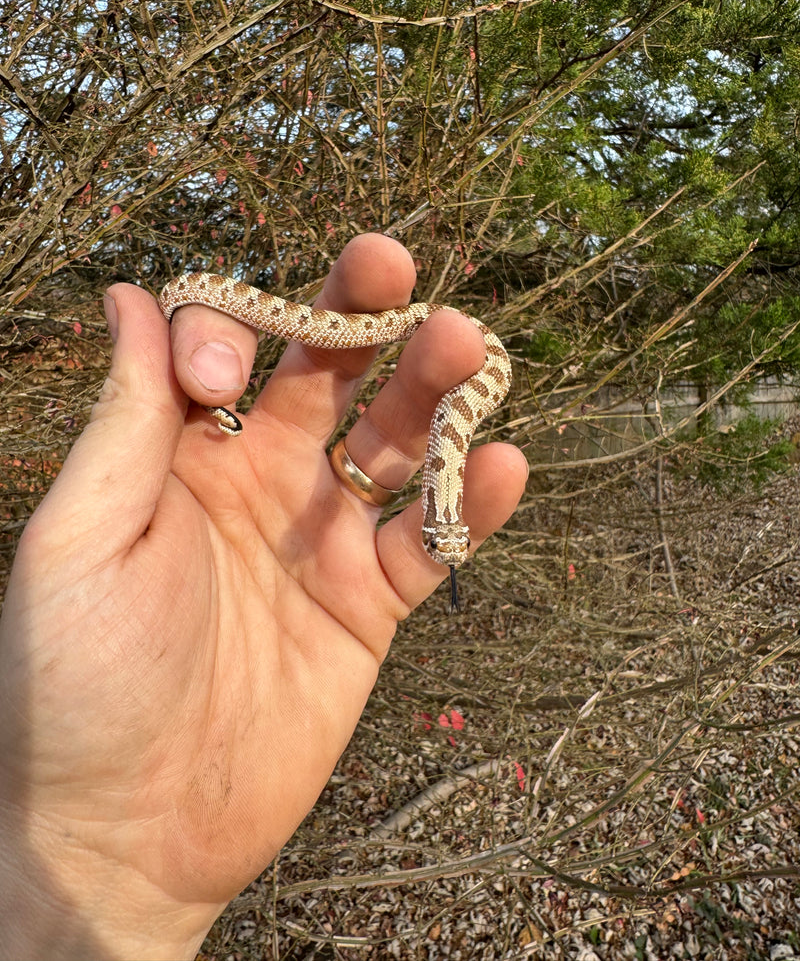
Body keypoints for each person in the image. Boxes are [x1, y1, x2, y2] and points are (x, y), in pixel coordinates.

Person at [0, 234, 528, 960]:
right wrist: (59, 862)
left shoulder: (452, 443)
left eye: (442, 539)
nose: (442, 543)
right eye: (445, 532)